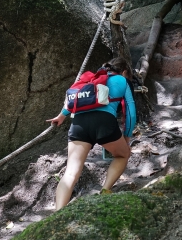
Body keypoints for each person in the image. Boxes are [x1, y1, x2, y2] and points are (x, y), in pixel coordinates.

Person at [46, 57, 137, 210]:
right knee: (123, 154)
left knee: (71, 172)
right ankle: (105, 191)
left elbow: (75, 100)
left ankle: (57, 213)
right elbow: (131, 112)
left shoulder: (91, 80)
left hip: (79, 124)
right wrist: (126, 137)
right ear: (125, 72)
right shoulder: (123, 81)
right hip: (104, 123)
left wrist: (61, 116)